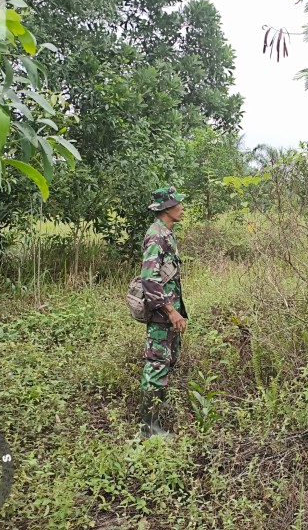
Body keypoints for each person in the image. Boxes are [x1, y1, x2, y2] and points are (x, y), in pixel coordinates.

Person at [138, 186, 188, 439]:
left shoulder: (167, 233)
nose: (182, 207)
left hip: (169, 313)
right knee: (157, 364)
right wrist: (170, 312)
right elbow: (149, 278)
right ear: (167, 208)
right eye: (178, 204)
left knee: (168, 359)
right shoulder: (157, 236)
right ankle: (148, 428)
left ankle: (157, 409)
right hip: (162, 314)